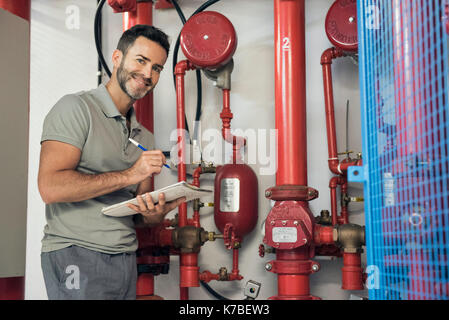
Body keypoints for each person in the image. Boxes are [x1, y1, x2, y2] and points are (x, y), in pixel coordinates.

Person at [38, 25, 184, 300]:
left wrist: (156, 212)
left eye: (157, 68)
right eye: (141, 60)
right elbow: (50, 187)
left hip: (124, 257)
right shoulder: (75, 108)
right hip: (76, 251)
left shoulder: (145, 137)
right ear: (117, 57)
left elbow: (140, 216)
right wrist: (131, 174)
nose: (147, 74)